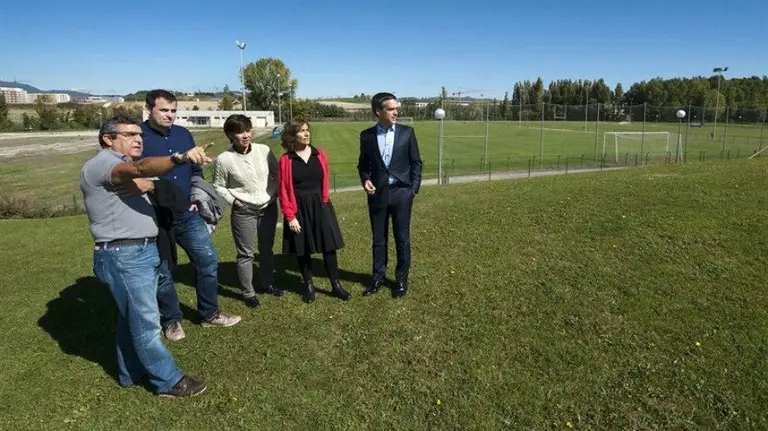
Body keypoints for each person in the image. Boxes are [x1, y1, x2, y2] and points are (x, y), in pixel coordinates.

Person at [80, 115, 208, 397]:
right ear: (108, 139)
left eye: (140, 134)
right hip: (125, 254)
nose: (138, 139)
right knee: (148, 324)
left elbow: (167, 191)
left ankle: (130, 373)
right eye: (129, 134)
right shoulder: (106, 164)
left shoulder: (125, 169)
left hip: (140, 251)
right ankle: (169, 381)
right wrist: (180, 157)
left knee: (133, 320)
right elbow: (140, 167)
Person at [140, 89, 240, 335]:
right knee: (163, 271)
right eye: (164, 110)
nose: (170, 115)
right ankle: (172, 320)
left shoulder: (184, 134)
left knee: (207, 260)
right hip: (154, 216)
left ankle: (209, 313)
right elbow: (134, 171)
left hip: (187, 213)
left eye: (173, 110)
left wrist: (196, 196)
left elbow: (195, 171)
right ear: (149, 109)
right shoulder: (138, 136)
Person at [212, 114, 283, 309]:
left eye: (247, 130)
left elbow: (278, 173)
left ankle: (267, 284)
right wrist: (234, 201)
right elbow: (218, 186)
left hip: (268, 207)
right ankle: (248, 292)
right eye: (239, 132)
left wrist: (275, 192)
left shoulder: (264, 150)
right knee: (246, 254)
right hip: (244, 211)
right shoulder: (224, 159)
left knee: (267, 250)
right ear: (230, 135)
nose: (245, 135)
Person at [357, 92, 423, 298]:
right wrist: (365, 179)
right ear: (379, 112)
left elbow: (416, 163)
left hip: (402, 194)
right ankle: (378, 277)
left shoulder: (407, 133)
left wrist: (413, 190)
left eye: (396, 108)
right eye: (391, 109)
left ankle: (401, 281)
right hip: (377, 195)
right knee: (379, 240)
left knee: (402, 239)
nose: (396, 112)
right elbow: (363, 164)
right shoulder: (367, 135)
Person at [278, 119, 350, 304]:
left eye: (307, 130)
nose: (306, 133)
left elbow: (324, 181)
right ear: (292, 136)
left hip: (321, 204)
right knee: (303, 249)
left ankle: (336, 285)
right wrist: (290, 216)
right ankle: (309, 286)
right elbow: (284, 190)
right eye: (301, 131)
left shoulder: (320, 154)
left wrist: (324, 201)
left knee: (329, 247)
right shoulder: (286, 160)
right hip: (298, 207)